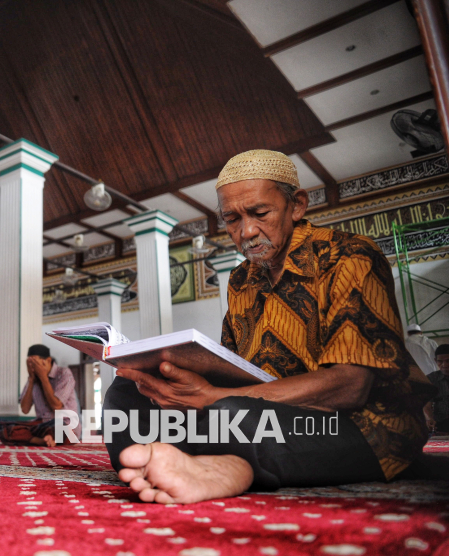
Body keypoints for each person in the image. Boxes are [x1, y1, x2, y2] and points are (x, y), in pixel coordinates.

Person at [105, 149, 436, 504]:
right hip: (264, 414)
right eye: (231, 219)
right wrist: (178, 382)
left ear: (296, 205)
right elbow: (233, 371)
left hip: (362, 423)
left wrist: (213, 397)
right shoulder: (240, 280)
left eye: (260, 213)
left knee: (231, 415)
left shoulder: (351, 257)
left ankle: (232, 467)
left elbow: (350, 386)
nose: (246, 231)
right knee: (127, 393)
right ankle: (190, 459)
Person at [0, 344, 81, 446]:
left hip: (64, 425)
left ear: (48, 361)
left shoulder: (63, 373)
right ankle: (43, 441)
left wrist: (43, 378)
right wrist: (31, 380)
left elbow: (56, 405)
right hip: (42, 425)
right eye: (29, 364)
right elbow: (25, 409)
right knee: (0, 425)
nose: (32, 367)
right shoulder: (33, 378)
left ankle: (42, 439)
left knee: (58, 425)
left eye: (35, 363)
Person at [425, 344, 449, 433]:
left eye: (448, 361)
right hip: (441, 425)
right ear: (435, 361)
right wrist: (429, 418)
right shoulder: (431, 379)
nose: (444, 365)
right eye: (440, 361)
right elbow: (427, 405)